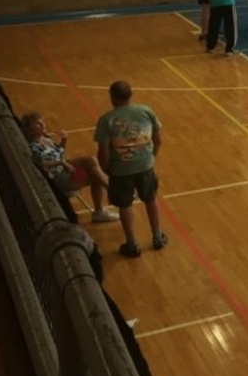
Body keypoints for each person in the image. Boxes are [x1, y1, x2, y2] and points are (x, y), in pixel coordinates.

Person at [94, 80, 166, 257]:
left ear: (112, 97)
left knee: (125, 205)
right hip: (145, 166)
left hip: (121, 170)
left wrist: (106, 169)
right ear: (130, 95)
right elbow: (158, 140)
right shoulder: (146, 111)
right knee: (150, 199)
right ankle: (157, 236)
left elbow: (103, 152)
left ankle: (132, 244)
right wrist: (151, 158)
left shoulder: (106, 120)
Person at [21, 110, 117, 222]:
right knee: (95, 176)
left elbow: (58, 153)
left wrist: (64, 140)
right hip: (57, 178)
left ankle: (110, 190)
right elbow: (41, 164)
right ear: (29, 129)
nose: (43, 124)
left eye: (42, 121)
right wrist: (61, 163)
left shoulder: (45, 139)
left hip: (63, 169)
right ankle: (102, 206)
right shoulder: (32, 146)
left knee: (91, 160)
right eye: (38, 124)